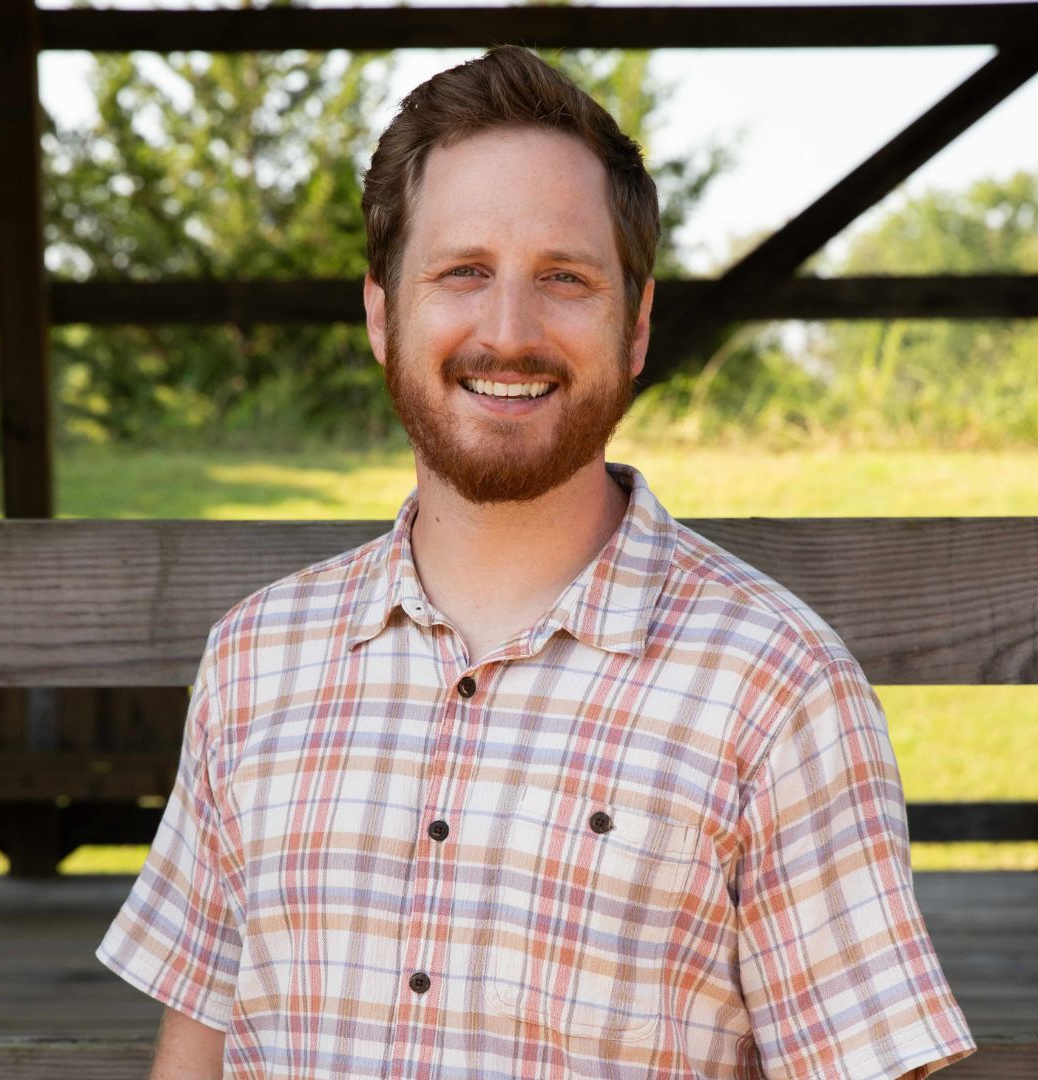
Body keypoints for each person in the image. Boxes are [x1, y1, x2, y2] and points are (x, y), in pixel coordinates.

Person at [98, 46, 976, 1079]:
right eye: (463, 272)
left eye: (564, 279)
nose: (509, 333)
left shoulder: (778, 688)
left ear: (635, 328)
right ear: (382, 314)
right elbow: (197, 1050)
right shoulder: (255, 661)